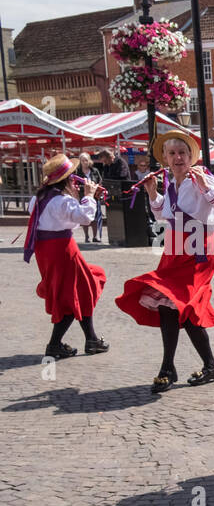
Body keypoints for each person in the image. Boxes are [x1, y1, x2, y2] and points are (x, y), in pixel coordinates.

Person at [115, 131, 214, 394]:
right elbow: (166, 216)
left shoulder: (202, 177)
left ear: (191, 156)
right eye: (172, 153)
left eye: (182, 153)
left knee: (176, 303)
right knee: (176, 308)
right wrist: (153, 194)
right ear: (166, 159)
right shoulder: (171, 182)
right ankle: (208, 366)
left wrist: (206, 188)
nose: (178, 157)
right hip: (173, 249)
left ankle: (168, 368)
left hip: (198, 250)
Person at [23, 153, 110, 359]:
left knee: (79, 289)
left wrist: (79, 197)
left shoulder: (38, 198)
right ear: (67, 180)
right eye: (72, 177)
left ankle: (91, 339)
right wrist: (89, 196)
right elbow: (85, 218)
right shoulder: (61, 201)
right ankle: (55, 344)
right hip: (63, 251)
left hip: (46, 252)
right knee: (72, 294)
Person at [76, 152, 102, 244]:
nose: (84, 162)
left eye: (86, 160)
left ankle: (95, 236)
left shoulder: (94, 170)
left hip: (95, 196)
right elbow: (76, 184)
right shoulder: (77, 172)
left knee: (95, 217)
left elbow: (100, 181)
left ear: (89, 161)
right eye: (82, 161)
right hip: (83, 196)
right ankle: (87, 236)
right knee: (85, 216)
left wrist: (97, 187)